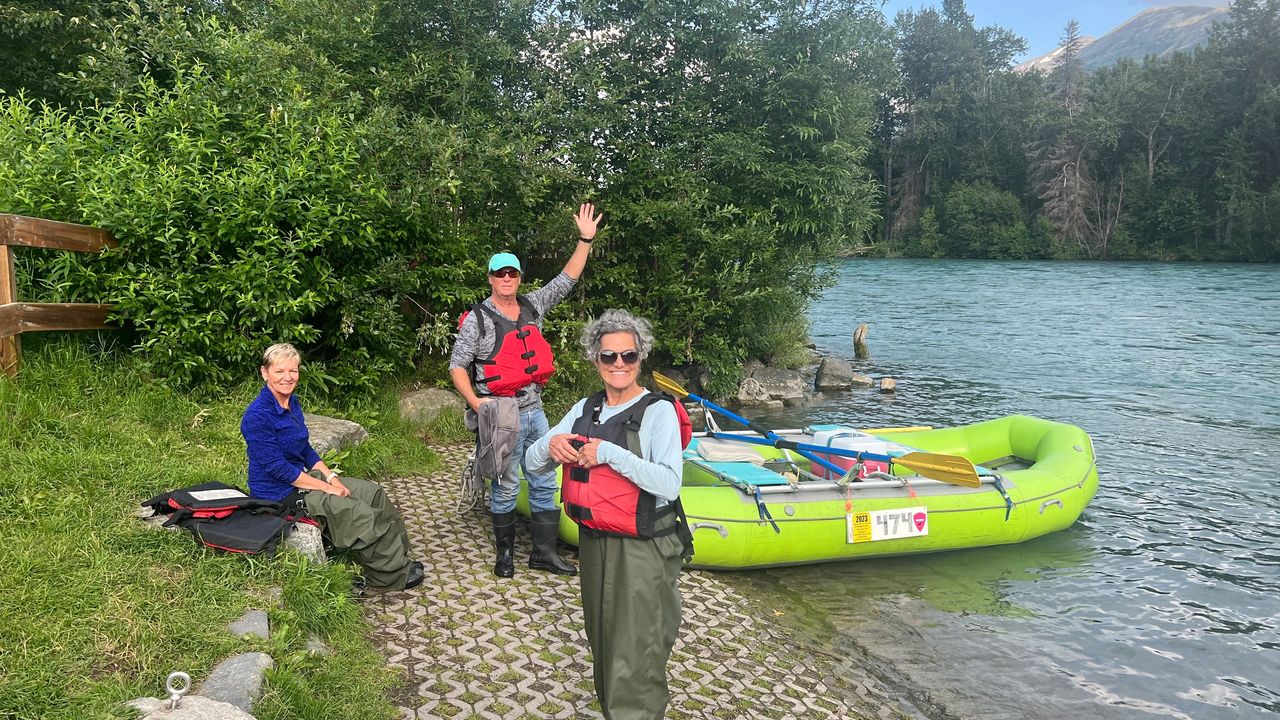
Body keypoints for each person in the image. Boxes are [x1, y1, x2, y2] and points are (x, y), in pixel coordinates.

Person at [525, 309, 690, 720]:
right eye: (609, 356)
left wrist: (611, 454)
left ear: (640, 357)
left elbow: (669, 483)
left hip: (643, 547)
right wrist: (549, 446)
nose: (619, 364)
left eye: (628, 355)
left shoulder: (658, 412)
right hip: (594, 541)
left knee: (635, 649)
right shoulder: (586, 408)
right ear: (595, 359)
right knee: (603, 641)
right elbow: (531, 464)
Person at [449, 203, 602, 578]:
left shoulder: (533, 304)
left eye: (512, 273)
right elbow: (457, 366)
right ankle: (504, 556)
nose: (507, 279)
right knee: (505, 483)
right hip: (500, 413)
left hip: (535, 411)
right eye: (500, 273)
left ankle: (543, 553)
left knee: (544, 478)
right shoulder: (478, 320)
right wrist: (475, 402)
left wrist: (585, 240)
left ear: (519, 278)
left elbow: (566, 279)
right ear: (490, 278)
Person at [240, 343, 424, 591]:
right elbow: (279, 469)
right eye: (279, 371)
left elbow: (305, 449)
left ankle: (398, 559)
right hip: (278, 495)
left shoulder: (292, 403)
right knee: (358, 513)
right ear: (265, 373)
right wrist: (327, 489)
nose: (288, 377)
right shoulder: (257, 416)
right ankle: (391, 578)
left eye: (293, 370)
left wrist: (331, 478)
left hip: (303, 480)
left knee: (373, 493)